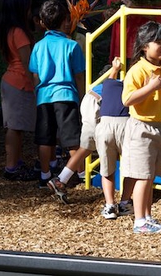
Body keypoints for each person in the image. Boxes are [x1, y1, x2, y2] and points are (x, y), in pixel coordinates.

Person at [48, 58, 136, 220]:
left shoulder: (99, 85)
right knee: (94, 147)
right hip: (97, 105)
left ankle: (63, 178)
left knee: (87, 147)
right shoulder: (116, 84)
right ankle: (61, 179)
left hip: (90, 101)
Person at [121, 21, 161, 234]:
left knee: (149, 176)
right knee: (142, 175)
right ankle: (140, 220)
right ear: (144, 46)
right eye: (158, 42)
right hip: (141, 128)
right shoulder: (138, 70)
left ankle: (147, 216)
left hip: (160, 126)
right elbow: (127, 100)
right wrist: (151, 87)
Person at [28, 0, 85, 189]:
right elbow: (78, 76)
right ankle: (80, 173)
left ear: (42, 22)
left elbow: (35, 74)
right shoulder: (72, 46)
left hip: (44, 96)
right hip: (66, 96)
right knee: (72, 139)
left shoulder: (38, 46)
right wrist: (82, 97)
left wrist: (38, 93)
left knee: (45, 138)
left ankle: (45, 175)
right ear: (66, 21)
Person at [0, 0, 37, 181]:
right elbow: (27, 62)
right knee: (14, 127)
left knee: (16, 127)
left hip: (10, 81)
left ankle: (16, 162)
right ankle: (11, 166)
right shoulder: (20, 32)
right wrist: (36, 84)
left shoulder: (9, 29)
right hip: (19, 83)